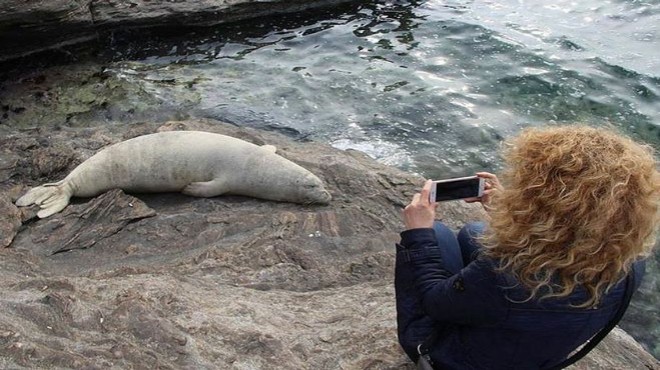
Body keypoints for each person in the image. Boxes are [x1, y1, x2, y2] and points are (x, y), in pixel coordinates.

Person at [395, 125, 660, 369]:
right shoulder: (631, 261)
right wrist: (505, 210)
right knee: (474, 232)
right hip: (534, 350)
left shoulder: (505, 276)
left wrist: (418, 233)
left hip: (454, 359)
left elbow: (433, 302)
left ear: (543, 202)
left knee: (437, 234)